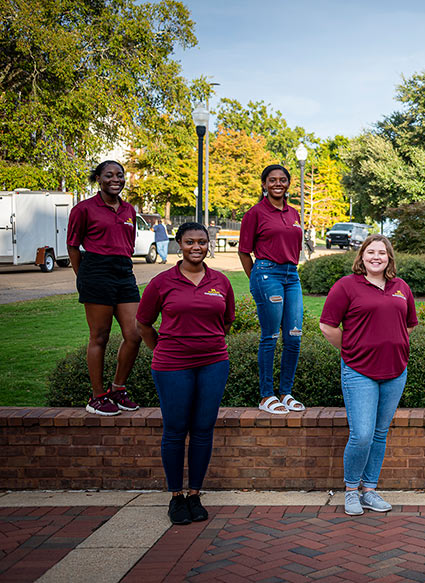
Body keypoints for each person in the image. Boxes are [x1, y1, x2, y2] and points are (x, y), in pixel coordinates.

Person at [137, 222, 235, 525]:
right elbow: (143, 323)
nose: (197, 247)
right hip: (171, 365)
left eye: (202, 242)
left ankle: (195, 494)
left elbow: (227, 322)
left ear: (208, 245)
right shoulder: (162, 282)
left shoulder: (221, 281)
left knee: (204, 428)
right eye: (190, 242)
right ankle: (176, 497)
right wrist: (162, 349)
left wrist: (206, 343)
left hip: (213, 363)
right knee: (176, 429)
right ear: (179, 244)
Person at [319, 234, 418, 516]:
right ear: (361, 256)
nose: (377, 257)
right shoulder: (347, 286)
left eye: (382, 253)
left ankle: (370, 490)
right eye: (371, 252)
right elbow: (327, 326)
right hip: (358, 371)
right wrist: (352, 349)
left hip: (395, 371)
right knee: (361, 434)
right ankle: (351, 490)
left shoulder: (401, 288)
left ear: (389, 258)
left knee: (378, 433)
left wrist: (392, 343)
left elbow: (409, 325)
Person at [67, 160, 142, 416]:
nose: (115, 179)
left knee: (134, 333)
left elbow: (128, 245)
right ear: (98, 178)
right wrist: (83, 277)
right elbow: (73, 246)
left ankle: (118, 389)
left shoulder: (129, 210)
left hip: (123, 271)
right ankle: (97, 397)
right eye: (109, 175)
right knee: (100, 335)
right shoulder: (84, 209)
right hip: (96, 270)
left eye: (119, 175)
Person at [238, 165, 306, 414]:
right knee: (270, 336)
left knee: (294, 336)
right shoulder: (255, 213)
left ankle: (286, 393)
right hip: (267, 273)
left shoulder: (294, 213)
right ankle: (267, 395)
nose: (278, 184)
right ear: (264, 184)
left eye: (283, 180)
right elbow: (244, 251)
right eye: (272, 180)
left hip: (292, 276)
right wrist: (258, 279)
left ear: (288, 183)